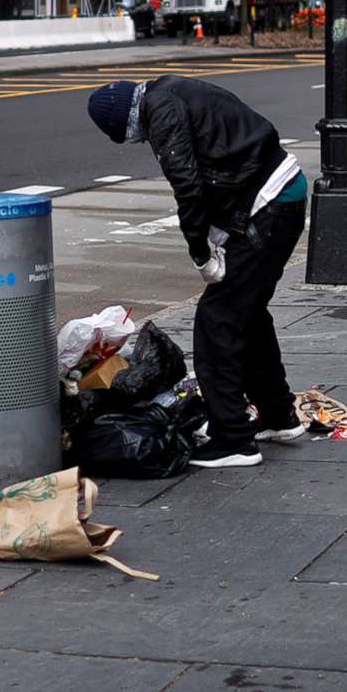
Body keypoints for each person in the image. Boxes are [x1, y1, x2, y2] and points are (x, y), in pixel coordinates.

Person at [85, 76, 309, 469]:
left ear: (126, 121)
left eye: (129, 136)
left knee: (217, 319)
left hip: (268, 205)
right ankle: (279, 417)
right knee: (247, 313)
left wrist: (200, 252)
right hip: (280, 195)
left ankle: (234, 439)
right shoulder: (167, 91)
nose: (138, 141)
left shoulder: (161, 112)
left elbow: (187, 185)